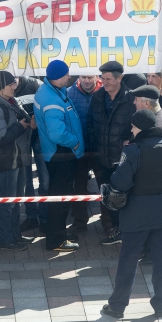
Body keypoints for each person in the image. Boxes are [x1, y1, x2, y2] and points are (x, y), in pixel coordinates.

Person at [101, 109, 162, 320]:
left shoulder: (132, 151)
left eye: (133, 126)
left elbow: (120, 182)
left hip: (136, 211)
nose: (131, 130)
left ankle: (117, 306)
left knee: (129, 258)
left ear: (140, 127)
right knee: (161, 257)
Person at [34, 60, 84, 252]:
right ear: (58, 77)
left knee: (59, 197)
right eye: (66, 74)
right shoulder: (52, 100)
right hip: (61, 154)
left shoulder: (52, 91)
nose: (69, 77)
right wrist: (75, 142)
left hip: (57, 154)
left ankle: (58, 232)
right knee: (60, 200)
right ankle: (56, 240)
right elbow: (57, 134)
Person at [85, 61, 136, 246]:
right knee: (106, 195)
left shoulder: (131, 99)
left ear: (119, 78)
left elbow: (137, 126)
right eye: (102, 78)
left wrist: (130, 141)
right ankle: (112, 229)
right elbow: (90, 123)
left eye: (108, 79)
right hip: (101, 157)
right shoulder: (98, 97)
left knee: (124, 195)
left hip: (122, 159)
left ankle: (127, 229)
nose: (104, 82)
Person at [0, 71, 36, 251]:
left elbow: (23, 121)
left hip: (19, 158)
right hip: (8, 161)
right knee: (6, 202)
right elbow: (0, 139)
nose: (14, 87)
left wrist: (30, 122)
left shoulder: (12, 102)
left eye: (14, 83)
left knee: (16, 200)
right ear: (1, 87)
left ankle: (15, 235)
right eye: (10, 84)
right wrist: (21, 125)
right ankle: (5, 239)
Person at [66, 74, 101, 233]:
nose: (86, 81)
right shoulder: (68, 93)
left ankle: (108, 223)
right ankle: (79, 221)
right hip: (78, 148)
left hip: (99, 148)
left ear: (96, 77)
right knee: (78, 186)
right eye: (83, 77)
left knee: (104, 186)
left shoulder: (105, 92)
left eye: (89, 77)